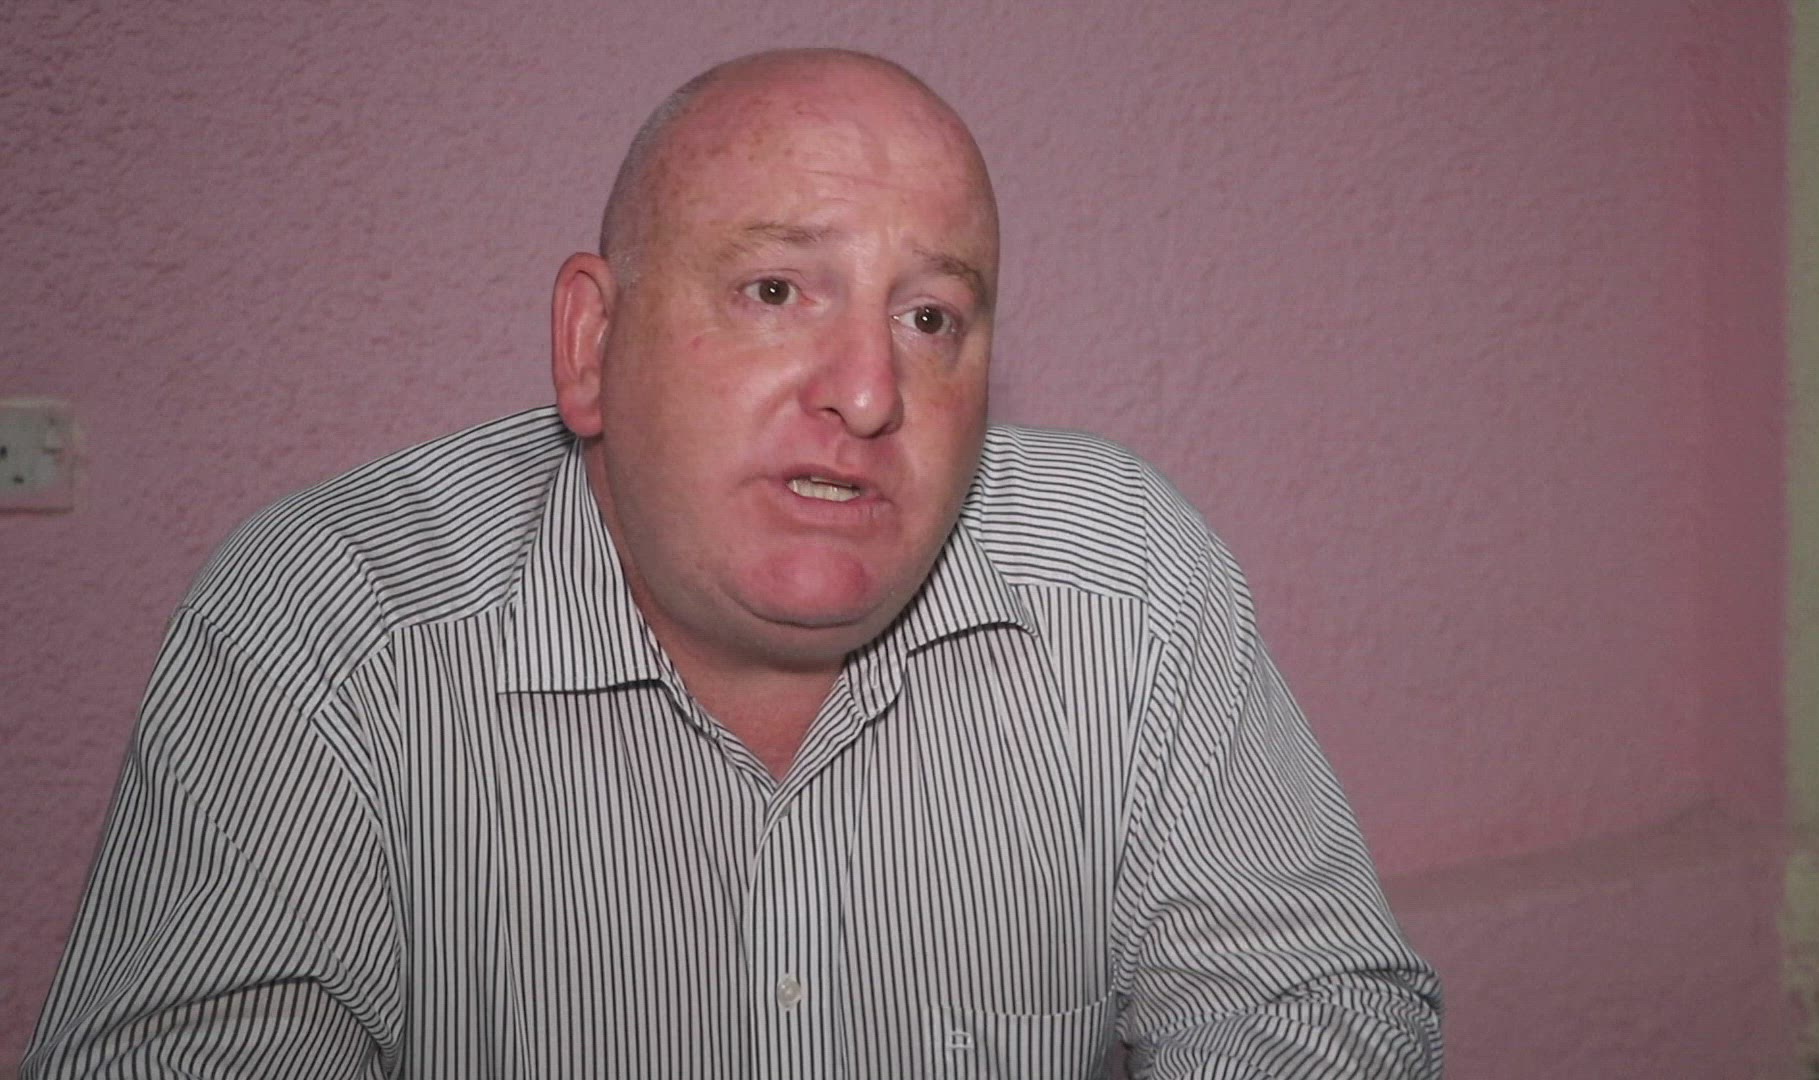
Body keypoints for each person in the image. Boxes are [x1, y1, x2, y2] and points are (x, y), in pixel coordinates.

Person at [24, 49, 1441, 1078]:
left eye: (933, 319)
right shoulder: (330, 624)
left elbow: (1311, 1009)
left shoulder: (1124, 579)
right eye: (776, 290)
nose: (870, 392)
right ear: (592, 344)